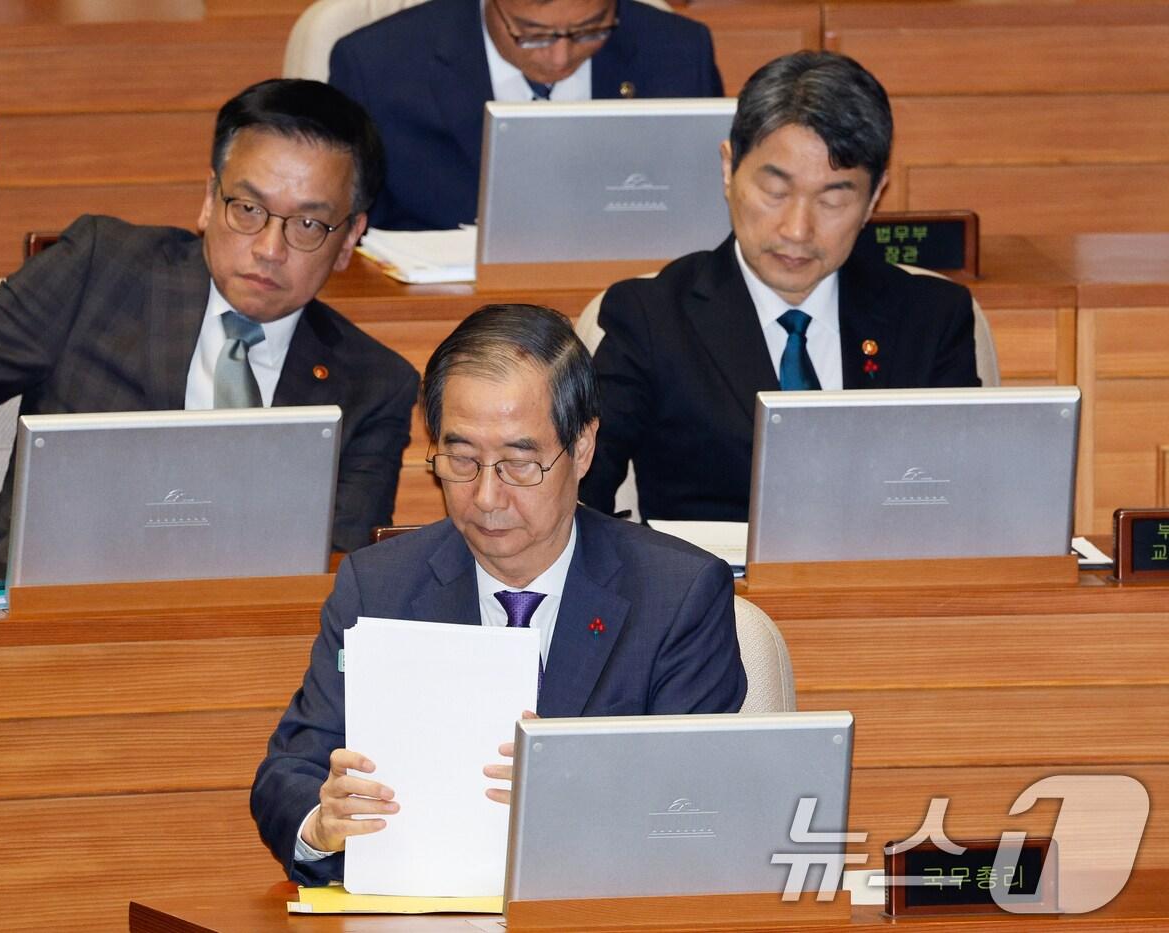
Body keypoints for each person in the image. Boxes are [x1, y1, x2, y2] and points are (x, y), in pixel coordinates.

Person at [251, 303, 746, 885]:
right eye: (461, 460)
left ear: (582, 448)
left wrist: (572, 807)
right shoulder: (377, 586)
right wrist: (321, 823)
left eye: (518, 464)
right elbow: (290, 772)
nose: (486, 496)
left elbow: (696, 813)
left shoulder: (678, 596)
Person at [0, 79, 419, 557]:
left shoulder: (373, 385)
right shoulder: (102, 270)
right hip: (38, 619)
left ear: (349, 239)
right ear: (209, 200)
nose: (269, 248)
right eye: (248, 209)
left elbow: (339, 573)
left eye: (307, 225)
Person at [580, 51, 980, 524]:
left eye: (832, 199)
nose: (796, 229)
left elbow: (963, 505)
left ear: (874, 197)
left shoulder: (931, 316)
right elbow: (580, 499)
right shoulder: (649, 317)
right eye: (775, 192)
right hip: (712, 594)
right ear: (729, 169)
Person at [328, 0, 724, 231]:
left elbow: (710, 213)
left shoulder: (680, 53)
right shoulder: (377, 68)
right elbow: (346, 235)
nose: (560, 57)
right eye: (533, 34)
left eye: (590, 30)